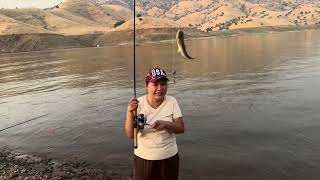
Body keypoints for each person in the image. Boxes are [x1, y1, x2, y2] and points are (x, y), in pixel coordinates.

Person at [125, 67, 185, 180]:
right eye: (155, 84)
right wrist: (129, 112)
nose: (160, 88)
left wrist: (166, 124)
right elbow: (130, 135)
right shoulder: (137, 104)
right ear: (147, 86)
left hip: (169, 157)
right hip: (143, 158)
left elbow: (181, 128)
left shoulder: (172, 101)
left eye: (163, 84)